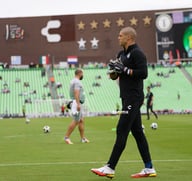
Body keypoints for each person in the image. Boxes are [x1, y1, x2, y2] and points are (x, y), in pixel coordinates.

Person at [91, 27, 156, 178]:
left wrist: (125, 69)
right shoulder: (121, 54)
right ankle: (149, 167)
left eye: (120, 36)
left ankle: (110, 167)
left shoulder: (138, 53)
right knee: (138, 132)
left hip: (134, 97)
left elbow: (143, 73)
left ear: (129, 38)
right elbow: (115, 76)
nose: (118, 38)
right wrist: (114, 71)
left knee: (121, 129)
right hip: (126, 97)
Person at [64, 69, 89, 144]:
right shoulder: (77, 82)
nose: (83, 75)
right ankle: (66, 137)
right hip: (76, 102)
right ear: (80, 73)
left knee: (81, 120)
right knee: (76, 120)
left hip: (75, 101)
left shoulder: (73, 81)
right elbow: (76, 93)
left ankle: (83, 138)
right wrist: (78, 104)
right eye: (82, 74)